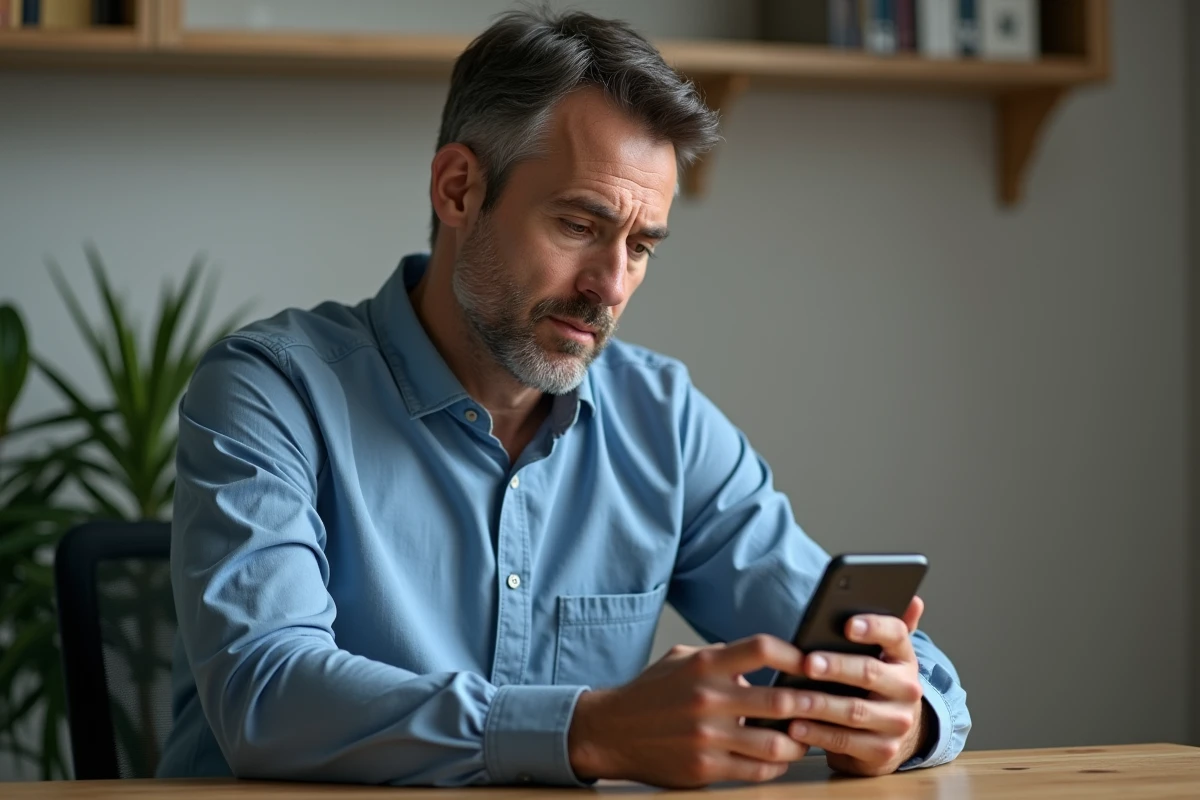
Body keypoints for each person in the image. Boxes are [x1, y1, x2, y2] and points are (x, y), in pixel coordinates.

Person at [157, 8, 971, 790]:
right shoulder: (271, 391)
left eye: (641, 245)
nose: (609, 286)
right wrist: (589, 730)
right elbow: (265, 691)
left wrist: (905, 716)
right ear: (458, 189)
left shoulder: (664, 421)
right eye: (579, 226)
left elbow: (888, 661)